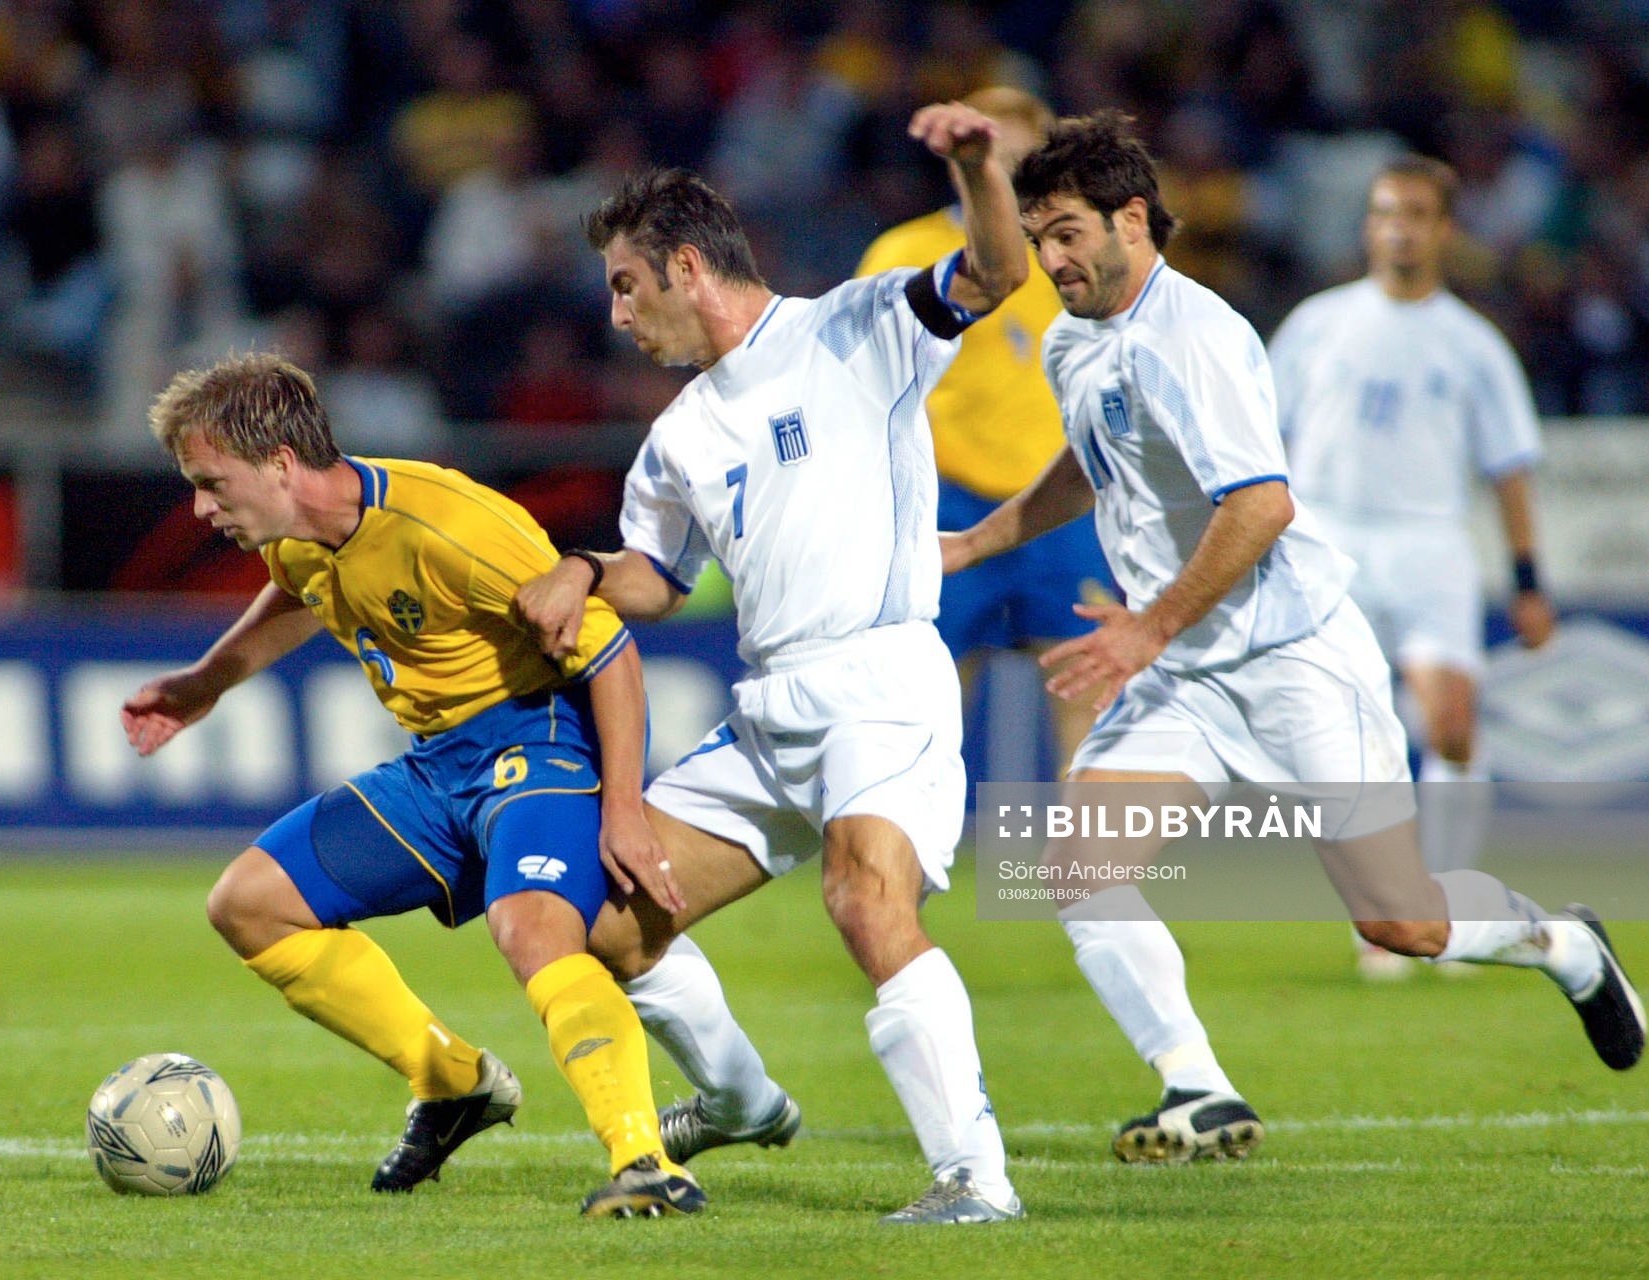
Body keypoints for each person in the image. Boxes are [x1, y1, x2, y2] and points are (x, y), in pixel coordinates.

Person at [940, 111, 1647, 1165]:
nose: (1048, 259)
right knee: (1078, 861)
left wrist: (1149, 624)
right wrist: (977, 541)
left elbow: (1260, 504)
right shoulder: (1070, 337)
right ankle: (1198, 1084)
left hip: (1290, 659)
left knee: (1397, 923)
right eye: (1037, 236)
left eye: (1067, 233)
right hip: (1183, 673)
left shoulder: (1199, 336)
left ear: (1132, 220)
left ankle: (1563, 942)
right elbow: (1095, 462)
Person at [519, 101, 1031, 1224]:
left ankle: (974, 1178)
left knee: (863, 895)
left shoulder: (854, 327)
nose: (616, 314)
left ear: (684, 266)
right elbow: (655, 575)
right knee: (611, 921)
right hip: (772, 704)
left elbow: (995, 273)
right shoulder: (678, 436)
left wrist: (983, 172)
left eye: (623, 283)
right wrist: (584, 571)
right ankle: (743, 1099)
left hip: (880, 678)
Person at [121, 352, 704, 1218]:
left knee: (533, 930)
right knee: (248, 902)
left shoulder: (447, 526)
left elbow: (609, 650)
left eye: (211, 483)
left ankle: (645, 1161)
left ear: (280, 465)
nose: (200, 508)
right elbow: (294, 591)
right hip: (438, 767)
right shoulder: (295, 533)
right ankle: (452, 1082)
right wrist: (206, 682)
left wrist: (623, 812)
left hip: (536, 738)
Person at [1268, 154, 1556, 979]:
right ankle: (1381, 917)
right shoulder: (1316, 325)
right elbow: (1258, 439)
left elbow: (1509, 467)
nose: (1399, 227)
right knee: (1345, 742)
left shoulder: (1470, 343)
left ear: (1442, 229)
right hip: (1329, 540)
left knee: (1451, 726)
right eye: (1386, 211)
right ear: (1368, 225)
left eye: (1416, 214)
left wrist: (1529, 582)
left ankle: (1449, 900)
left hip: (1430, 542)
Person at [856, 86, 1115, 773]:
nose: (995, 168)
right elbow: (861, 383)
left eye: (1012, 154)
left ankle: (1096, 877)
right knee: (923, 696)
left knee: (1087, 693)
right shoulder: (903, 251)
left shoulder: (1075, 257)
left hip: (1061, 502)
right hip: (941, 499)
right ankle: (898, 869)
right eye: (981, 153)